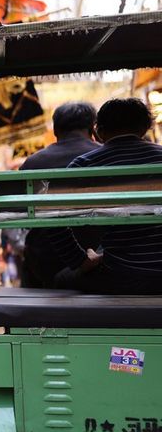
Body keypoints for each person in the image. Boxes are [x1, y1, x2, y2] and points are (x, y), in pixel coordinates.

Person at [50, 98, 162, 294]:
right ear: (145, 127)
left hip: (119, 273)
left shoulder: (84, 165)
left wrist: (81, 260)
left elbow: (51, 217)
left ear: (99, 131)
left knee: (60, 279)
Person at [19, 102, 102, 288]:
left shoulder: (33, 162)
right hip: (100, 258)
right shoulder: (106, 156)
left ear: (55, 130)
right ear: (92, 127)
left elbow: (21, 217)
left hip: (44, 262)